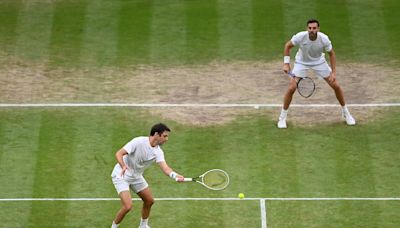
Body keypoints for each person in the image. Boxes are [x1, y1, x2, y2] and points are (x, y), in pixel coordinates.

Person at [278, 19, 356, 128]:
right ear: (307, 29)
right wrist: (286, 63)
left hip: (319, 62)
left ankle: (346, 113)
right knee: (291, 88)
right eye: (310, 28)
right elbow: (287, 46)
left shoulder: (324, 39)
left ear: (318, 29)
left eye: (314, 28)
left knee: (336, 86)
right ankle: (282, 118)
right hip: (302, 62)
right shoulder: (300, 36)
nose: (312, 30)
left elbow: (332, 54)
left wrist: (333, 73)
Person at [110, 123, 184, 228]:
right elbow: (119, 153)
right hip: (121, 175)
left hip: (136, 177)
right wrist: (123, 166)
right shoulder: (138, 141)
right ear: (156, 134)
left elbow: (166, 168)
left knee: (149, 201)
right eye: (165, 136)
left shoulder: (158, 152)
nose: (166, 139)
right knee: (127, 206)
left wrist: (175, 175)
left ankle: (143, 226)